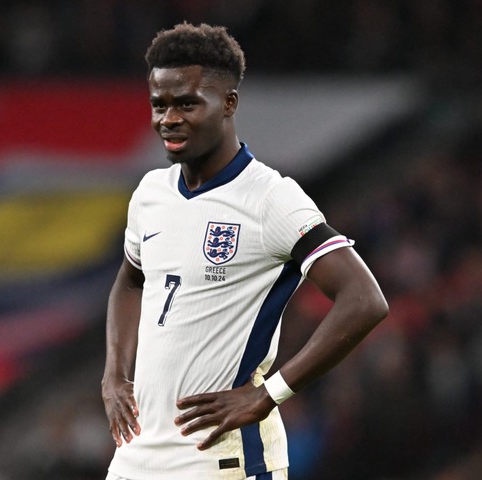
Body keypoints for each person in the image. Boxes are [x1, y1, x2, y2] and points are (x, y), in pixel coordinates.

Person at [101, 22, 389, 480]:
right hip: (136, 456)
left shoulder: (270, 197)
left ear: (229, 103)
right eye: (160, 105)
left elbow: (364, 299)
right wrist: (115, 373)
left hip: (223, 459)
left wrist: (268, 395)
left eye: (187, 103)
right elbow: (130, 279)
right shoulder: (150, 193)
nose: (168, 118)